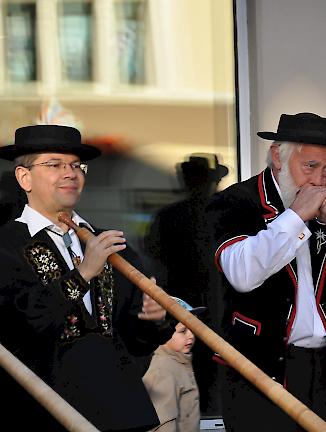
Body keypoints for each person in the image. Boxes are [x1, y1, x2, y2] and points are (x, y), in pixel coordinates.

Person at [208, 112, 326, 431]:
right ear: (277, 156)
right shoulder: (236, 203)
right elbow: (242, 275)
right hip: (258, 371)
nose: (319, 180)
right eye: (310, 166)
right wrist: (295, 216)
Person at [0, 124, 173, 431]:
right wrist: (82, 274)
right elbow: (21, 326)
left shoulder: (107, 243)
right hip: (44, 413)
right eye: (54, 164)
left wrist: (153, 318)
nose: (70, 173)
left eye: (76, 165)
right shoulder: (7, 244)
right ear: (24, 177)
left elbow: (133, 340)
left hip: (120, 412)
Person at [144, 154, 229, 416]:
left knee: (205, 371)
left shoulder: (221, 214)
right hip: (187, 305)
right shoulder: (177, 216)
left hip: (210, 306)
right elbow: (155, 257)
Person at [143, 297, 207, 432]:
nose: (190, 335)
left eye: (192, 329)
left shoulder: (179, 363)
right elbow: (161, 424)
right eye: (183, 331)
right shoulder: (163, 370)